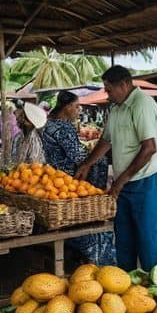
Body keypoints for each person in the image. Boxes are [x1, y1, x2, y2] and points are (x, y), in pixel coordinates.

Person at [76, 65, 157, 271]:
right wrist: (87, 164)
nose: (107, 94)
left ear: (123, 84)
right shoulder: (116, 108)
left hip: (149, 181)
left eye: (109, 89)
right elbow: (106, 140)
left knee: (152, 238)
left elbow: (149, 148)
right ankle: (126, 285)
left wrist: (120, 180)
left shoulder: (142, 105)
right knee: (125, 238)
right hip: (127, 183)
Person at [42, 90, 115, 266]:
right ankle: (99, 261)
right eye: (76, 106)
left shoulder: (47, 124)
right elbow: (79, 156)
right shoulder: (64, 128)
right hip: (69, 182)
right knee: (92, 224)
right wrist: (97, 154)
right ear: (67, 107)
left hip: (52, 180)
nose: (79, 110)